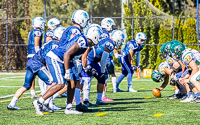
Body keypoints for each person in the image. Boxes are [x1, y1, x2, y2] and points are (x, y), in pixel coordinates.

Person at [33, 26, 102, 115]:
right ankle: (39, 102)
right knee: (60, 83)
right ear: (94, 36)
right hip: (56, 58)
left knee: (73, 82)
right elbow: (67, 54)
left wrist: (86, 67)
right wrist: (67, 71)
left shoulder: (85, 42)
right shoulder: (83, 42)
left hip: (64, 59)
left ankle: (69, 108)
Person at [7, 25, 63, 112]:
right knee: (53, 82)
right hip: (38, 64)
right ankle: (46, 104)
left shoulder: (49, 42)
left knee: (26, 86)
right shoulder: (56, 45)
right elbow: (49, 58)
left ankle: (12, 103)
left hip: (31, 62)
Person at [81, 30, 125, 107]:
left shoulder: (108, 40)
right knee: (87, 80)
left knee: (102, 79)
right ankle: (85, 100)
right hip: (91, 60)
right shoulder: (110, 43)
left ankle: (99, 100)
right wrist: (103, 70)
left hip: (95, 60)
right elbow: (104, 58)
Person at [39, 18, 62, 96]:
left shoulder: (52, 32)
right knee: (48, 75)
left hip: (48, 54)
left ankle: (46, 92)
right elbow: (48, 43)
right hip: (47, 54)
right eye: (57, 25)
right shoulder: (50, 32)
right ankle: (44, 91)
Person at [25, 17, 45, 99]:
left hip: (30, 54)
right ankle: (43, 91)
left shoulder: (31, 32)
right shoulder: (37, 32)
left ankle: (32, 92)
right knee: (42, 72)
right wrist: (39, 54)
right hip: (35, 54)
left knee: (33, 74)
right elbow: (36, 45)